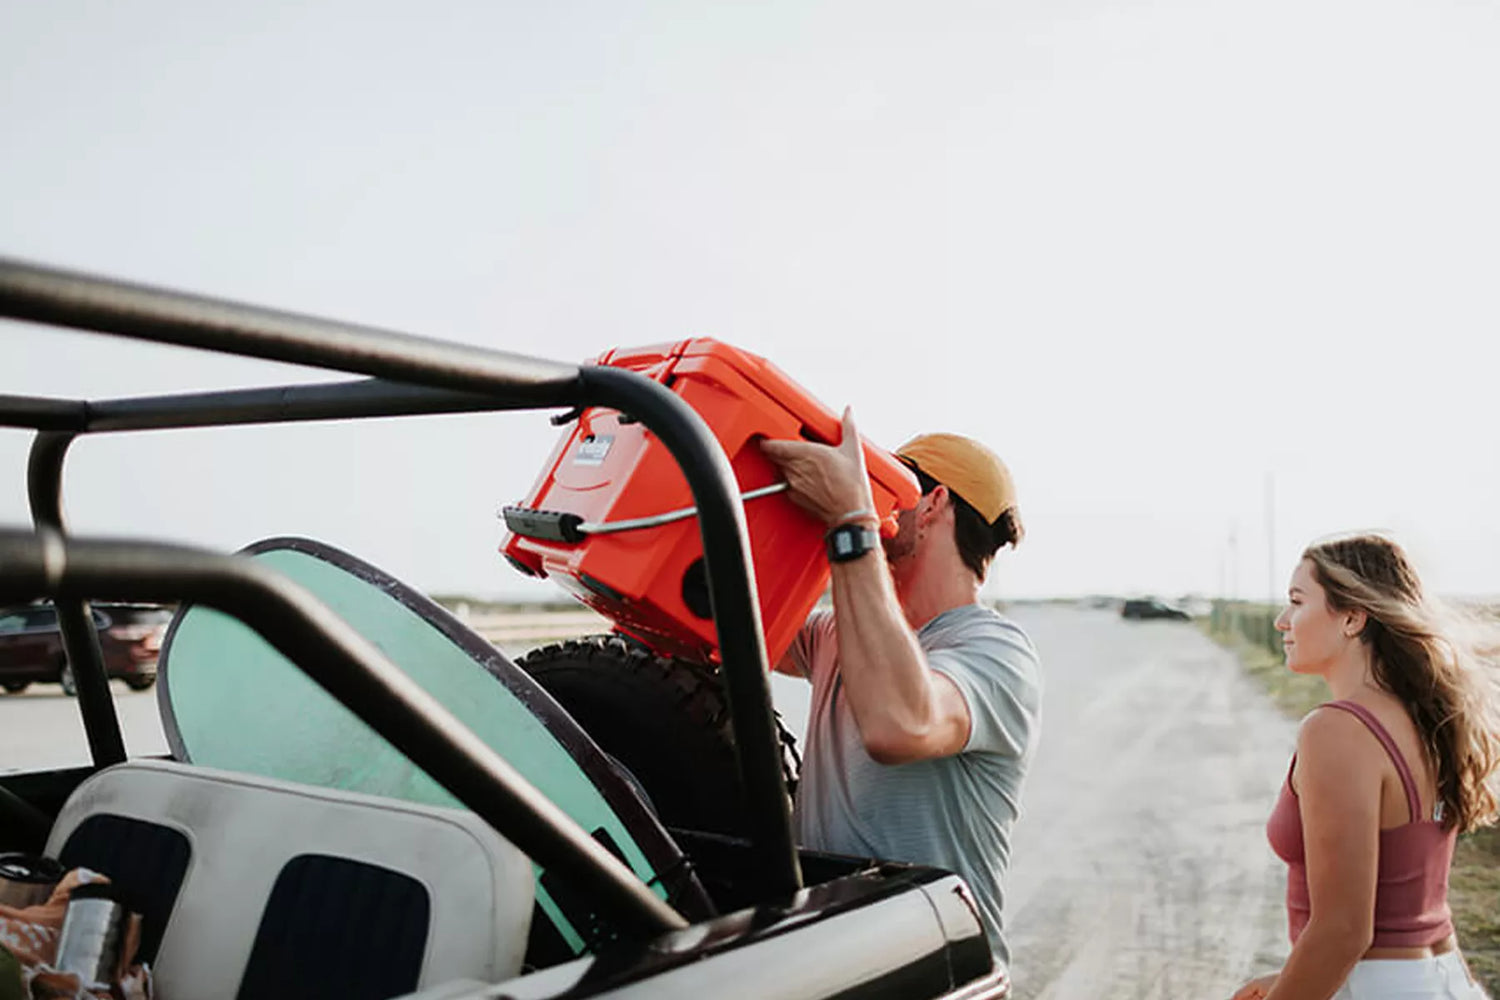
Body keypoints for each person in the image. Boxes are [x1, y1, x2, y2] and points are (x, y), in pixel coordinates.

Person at [760, 409, 1042, 966]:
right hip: (832, 963)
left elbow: (900, 724)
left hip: (939, 971)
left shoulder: (996, 652)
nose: (875, 498)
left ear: (933, 502)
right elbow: (725, 625)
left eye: (887, 485)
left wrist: (850, 522)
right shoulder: (840, 631)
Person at [1232, 534, 1500, 1000]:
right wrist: (1291, 979)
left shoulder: (1336, 731)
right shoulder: (1425, 716)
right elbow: (1409, 915)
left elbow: (1342, 932)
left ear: (1353, 618)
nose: (1281, 621)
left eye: (1297, 601)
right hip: (1445, 980)